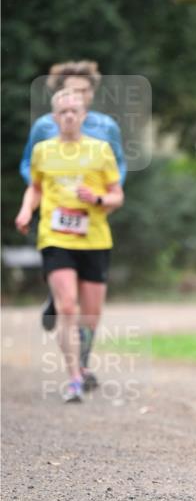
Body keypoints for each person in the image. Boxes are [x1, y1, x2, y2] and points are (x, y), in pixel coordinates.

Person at [15, 89, 124, 402]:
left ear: (84, 116)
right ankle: (74, 377)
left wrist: (99, 199)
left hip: (95, 238)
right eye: (62, 112)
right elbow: (34, 189)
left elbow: (117, 195)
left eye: (74, 111)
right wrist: (26, 211)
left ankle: (83, 361)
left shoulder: (101, 150)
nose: (69, 116)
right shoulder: (42, 151)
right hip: (54, 236)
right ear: (54, 117)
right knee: (67, 307)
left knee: (90, 315)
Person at [20, 60, 126, 334]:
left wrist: (107, 195)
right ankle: (59, 299)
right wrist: (42, 193)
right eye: (71, 91)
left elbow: (119, 163)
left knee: (89, 269)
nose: (78, 96)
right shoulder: (44, 126)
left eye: (84, 91)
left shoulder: (107, 126)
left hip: (93, 206)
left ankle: (76, 334)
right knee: (61, 260)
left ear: (92, 93)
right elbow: (28, 164)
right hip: (56, 207)